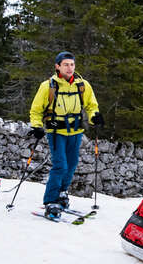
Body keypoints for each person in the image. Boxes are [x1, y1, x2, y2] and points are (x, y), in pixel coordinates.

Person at [28, 51, 101, 219]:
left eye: (72, 64)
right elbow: (36, 110)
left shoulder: (83, 85)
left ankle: (62, 192)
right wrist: (37, 126)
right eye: (66, 64)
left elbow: (91, 106)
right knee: (60, 165)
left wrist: (94, 117)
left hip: (75, 131)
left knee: (72, 164)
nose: (70, 68)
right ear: (57, 66)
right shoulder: (48, 86)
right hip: (56, 131)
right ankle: (50, 201)